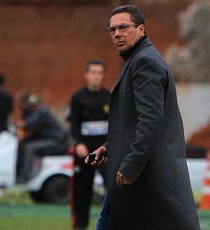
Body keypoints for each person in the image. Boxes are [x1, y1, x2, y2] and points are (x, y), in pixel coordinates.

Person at [86, 5, 200, 229]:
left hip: (144, 177)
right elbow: (135, 122)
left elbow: (151, 122)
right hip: (129, 177)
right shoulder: (136, 59)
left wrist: (130, 165)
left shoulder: (145, 62)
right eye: (112, 30)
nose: (117, 34)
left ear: (141, 29)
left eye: (123, 27)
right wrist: (110, 148)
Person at [68, 59, 111, 230]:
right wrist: (78, 143)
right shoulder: (78, 98)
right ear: (86, 75)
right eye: (92, 73)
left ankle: (113, 224)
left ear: (103, 76)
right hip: (84, 151)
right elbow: (73, 124)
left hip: (106, 151)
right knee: (81, 191)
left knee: (114, 190)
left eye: (99, 73)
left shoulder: (109, 97)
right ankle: (80, 225)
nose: (96, 76)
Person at [18, 94, 68, 181]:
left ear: (38, 104)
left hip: (55, 141)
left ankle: (27, 175)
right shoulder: (38, 112)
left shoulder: (41, 112)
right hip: (51, 139)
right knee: (27, 144)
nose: (32, 107)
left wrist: (21, 124)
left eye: (34, 105)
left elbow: (28, 123)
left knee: (30, 148)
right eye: (31, 105)